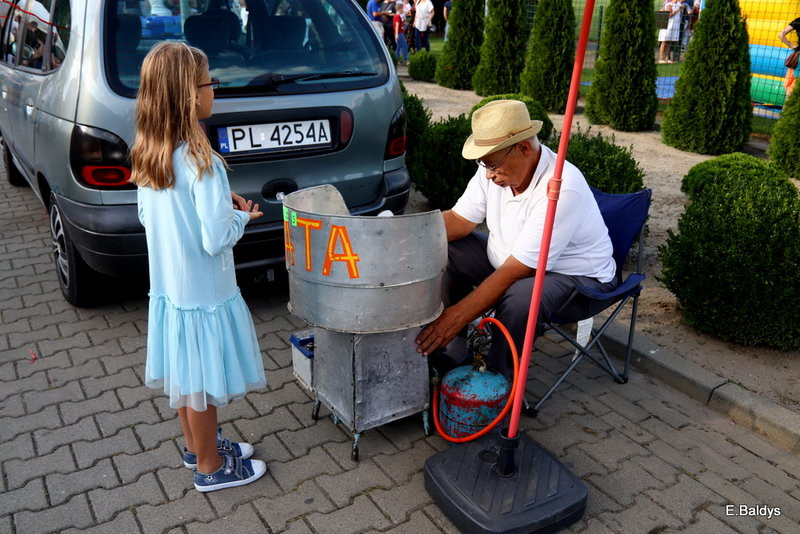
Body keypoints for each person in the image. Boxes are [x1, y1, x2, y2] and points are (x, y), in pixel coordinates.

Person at [130, 41, 267, 492]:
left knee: (186, 376)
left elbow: (152, 217)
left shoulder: (151, 152)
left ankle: (195, 449)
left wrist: (211, 209)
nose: (215, 90)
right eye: (211, 82)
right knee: (204, 382)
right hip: (204, 292)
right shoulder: (201, 158)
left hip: (171, 288)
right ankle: (211, 468)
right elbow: (214, 238)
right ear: (190, 94)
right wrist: (240, 217)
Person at [415, 100, 617, 379]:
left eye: (492, 163)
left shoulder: (562, 187)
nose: (488, 173)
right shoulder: (495, 168)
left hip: (578, 280)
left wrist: (457, 315)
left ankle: (498, 383)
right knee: (446, 248)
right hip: (512, 263)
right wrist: (403, 236)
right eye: (482, 163)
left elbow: (520, 270)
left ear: (523, 148)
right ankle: (453, 349)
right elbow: (459, 221)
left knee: (520, 298)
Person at [778, 16, 800, 96]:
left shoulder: (798, 20)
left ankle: (788, 107)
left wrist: (792, 46)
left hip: (798, 57)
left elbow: (781, 35)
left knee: (792, 88)